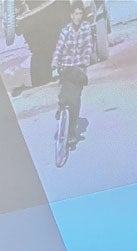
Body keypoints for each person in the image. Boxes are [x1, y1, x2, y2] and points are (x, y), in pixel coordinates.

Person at [52, 1, 94, 148]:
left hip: (79, 69)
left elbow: (89, 45)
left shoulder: (86, 28)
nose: (78, 16)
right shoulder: (65, 31)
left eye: (80, 14)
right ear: (71, 15)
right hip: (66, 67)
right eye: (75, 14)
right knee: (64, 95)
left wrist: (85, 61)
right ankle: (62, 107)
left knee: (75, 100)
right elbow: (59, 47)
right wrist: (55, 62)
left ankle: (72, 134)